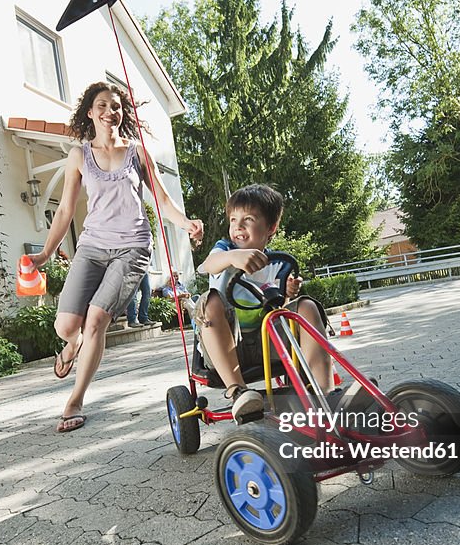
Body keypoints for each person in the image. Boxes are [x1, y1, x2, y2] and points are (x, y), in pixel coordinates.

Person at [28, 81, 203, 432]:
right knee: (66, 326)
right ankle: (72, 345)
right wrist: (46, 253)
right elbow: (64, 211)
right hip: (92, 247)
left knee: (96, 320)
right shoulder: (79, 155)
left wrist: (186, 223)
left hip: (132, 247)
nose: (111, 111)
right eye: (103, 105)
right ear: (90, 113)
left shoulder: (137, 152)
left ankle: (74, 400)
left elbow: (163, 200)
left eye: (117, 106)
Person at [195, 183, 332, 421]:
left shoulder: (277, 263)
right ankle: (239, 393)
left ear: (271, 227)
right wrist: (232, 257)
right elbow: (207, 266)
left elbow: (279, 308)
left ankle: (326, 393)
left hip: (267, 343)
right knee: (210, 302)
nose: (238, 226)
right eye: (233, 219)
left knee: (306, 305)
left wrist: (288, 292)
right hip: (228, 345)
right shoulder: (224, 250)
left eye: (247, 219)